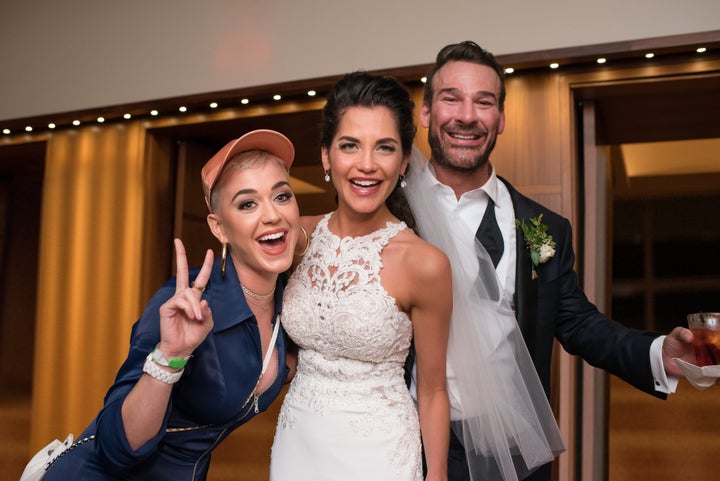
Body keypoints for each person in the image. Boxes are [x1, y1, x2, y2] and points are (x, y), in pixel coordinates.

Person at [404, 41, 699, 481]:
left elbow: (578, 322)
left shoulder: (541, 228)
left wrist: (658, 354)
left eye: (483, 102)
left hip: (512, 452)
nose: (467, 115)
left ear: (500, 119)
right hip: (405, 445)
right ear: (426, 113)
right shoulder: (391, 212)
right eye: (452, 98)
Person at [39, 129, 302, 480]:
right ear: (219, 227)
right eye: (247, 203)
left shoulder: (293, 306)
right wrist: (170, 355)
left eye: (281, 196)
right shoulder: (185, 305)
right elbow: (117, 448)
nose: (271, 215)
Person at [269, 71, 452, 481]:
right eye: (350, 145)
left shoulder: (425, 264)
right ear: (325, 156)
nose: (366, 165)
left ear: (403, 161)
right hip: (297, 441)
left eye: (384, 148)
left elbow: (434, 388)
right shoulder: (296, 237)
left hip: (380, 451)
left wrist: (436, 474)